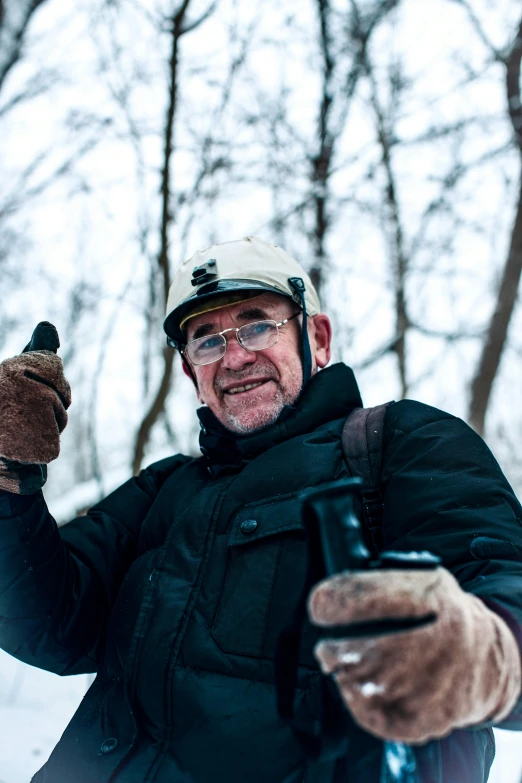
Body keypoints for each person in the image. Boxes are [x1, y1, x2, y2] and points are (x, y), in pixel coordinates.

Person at [0, 235, 521, 783]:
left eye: (257, 325)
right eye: (206, 340)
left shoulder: (398, 446)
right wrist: (9, 479)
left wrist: (473, 651)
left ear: (316, 339)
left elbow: (500, 580)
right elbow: (51, 623)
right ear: (190, 373)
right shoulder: (166, 488)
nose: (235, 356)